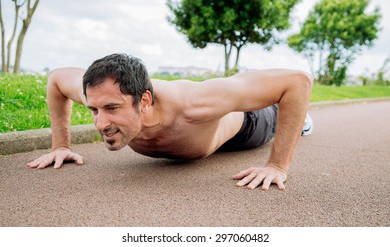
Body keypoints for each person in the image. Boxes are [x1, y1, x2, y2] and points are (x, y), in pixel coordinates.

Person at [28, 53, 313, 190]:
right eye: (94, 110)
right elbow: (56, 78)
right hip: (205, 134)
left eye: (112, 109)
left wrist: (277, 165)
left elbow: (297, 82)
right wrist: (60, 145)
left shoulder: (195, 104)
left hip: (249, 126)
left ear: (145, 101)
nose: (101, 123)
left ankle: (302, 120)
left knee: (276, 110)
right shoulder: (100, 91)